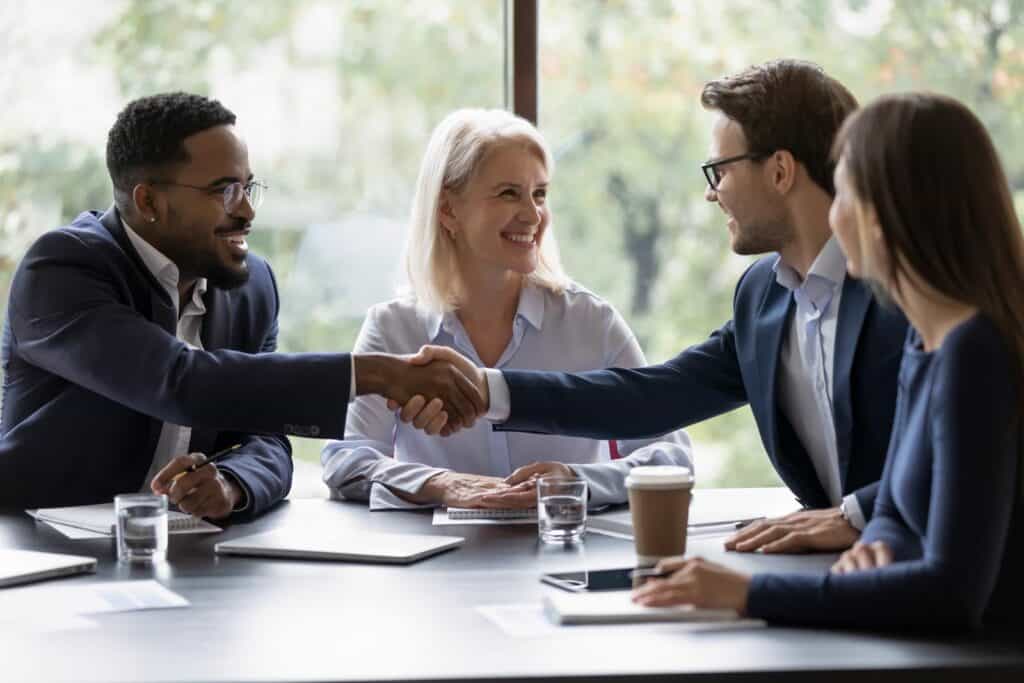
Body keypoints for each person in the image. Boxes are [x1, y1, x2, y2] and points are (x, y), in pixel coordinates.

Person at [406, 60, 907, 551]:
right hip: (835, 572)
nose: (713, 194)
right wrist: (483, 387)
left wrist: (857, 513)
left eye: (720, 170)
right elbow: (652, 396)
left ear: (780, 172)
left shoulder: (908, 288)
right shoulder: (764, 297)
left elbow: (967, 448)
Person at [632, 93, 1024, 629]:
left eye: (845, 192)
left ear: (888, 213)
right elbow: (893, 515)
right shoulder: (926, 344)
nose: (832, 214)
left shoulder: (974, 356)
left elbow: (952, 595)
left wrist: (746, 593)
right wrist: (877, 552)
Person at [0, 92, 483, 519]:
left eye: (248, 187)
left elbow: (267, 439)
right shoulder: (62, 271)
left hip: (185, 557)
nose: (247, 210)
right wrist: (377, 374)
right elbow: (178, 381)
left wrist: (231, 484)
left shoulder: (250, 287)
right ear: (148, 201)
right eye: (224, 190)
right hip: (40, 548)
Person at [321, 109, 693, 510]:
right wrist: (439, 483)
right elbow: (347, 459)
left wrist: (574, 480)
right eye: (508, 193)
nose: (533, 215)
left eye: (540, 194)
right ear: (448, 210)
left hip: (566, 556)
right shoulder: (394, 328)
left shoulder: (590, 322)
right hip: (439, 565)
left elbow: (670, 456)